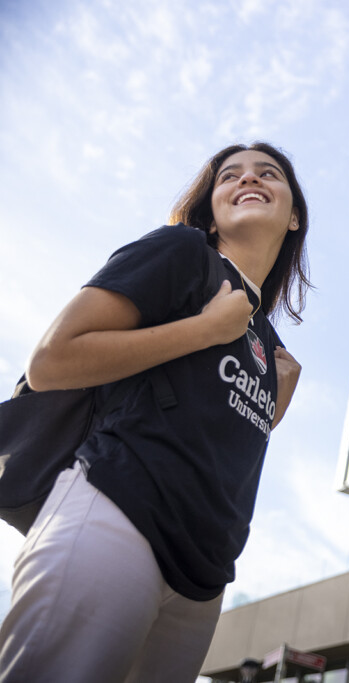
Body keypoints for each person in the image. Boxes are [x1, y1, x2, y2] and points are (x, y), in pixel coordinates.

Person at [0, 142, 309, 682]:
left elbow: (206, 432)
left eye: (269, 173)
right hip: (115, 519)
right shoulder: (184, 253)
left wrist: (274, 408)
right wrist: (207, 330)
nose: (248, 179)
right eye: (229, 176)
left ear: (294, 215)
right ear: (210, 210)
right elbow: (52, 361)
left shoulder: (269, 342)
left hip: (203, 578)